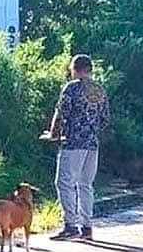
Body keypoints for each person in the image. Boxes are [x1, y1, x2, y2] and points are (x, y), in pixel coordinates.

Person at [42, 54, 110, 241]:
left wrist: (53, 134)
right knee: (85, 184)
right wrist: (92, 130)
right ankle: (86, 226)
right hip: (92, 143)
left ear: (75, 68)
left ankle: (70, 224)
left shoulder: (72, 88)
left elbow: (62, 112)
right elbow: (105, 119)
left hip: (73, 142)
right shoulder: (98, 89)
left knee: (64, 182)